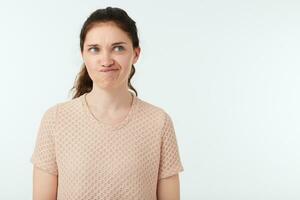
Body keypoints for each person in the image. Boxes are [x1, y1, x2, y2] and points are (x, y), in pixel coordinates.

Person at [30, 6, 184, 200]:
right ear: (83, 55)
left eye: (118, 48)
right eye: (94, 49)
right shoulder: (55, 119)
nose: (106, 60)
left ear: (136, 54)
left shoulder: (159, 122)